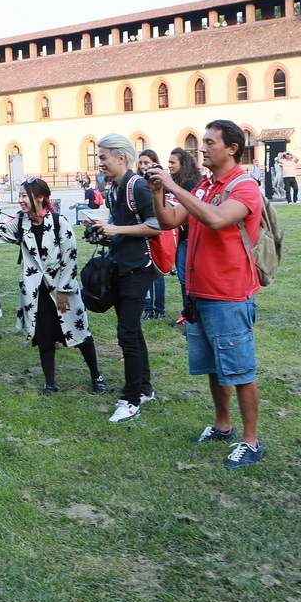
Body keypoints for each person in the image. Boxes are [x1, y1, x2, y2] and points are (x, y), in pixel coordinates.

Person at [148, 120, 266, 469]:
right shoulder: (204, 186)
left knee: (240, 369)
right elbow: (170, 220)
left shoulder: (244, 188)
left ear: (232, 148)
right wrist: (158, 192)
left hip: (229, 295)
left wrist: (172, 184)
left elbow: (216, 220)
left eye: (211, 142)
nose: (203, 147)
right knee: (215, 367)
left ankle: (251, 440)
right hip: (199, 294)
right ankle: (222, 425)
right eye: (203, 141)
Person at [0, 178, 104, 395]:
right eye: (19, 196)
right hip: (37, 292)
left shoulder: (59, 222)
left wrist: (64, 292)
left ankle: (96, 376)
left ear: (39, 198)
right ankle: (50, 382)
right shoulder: (21, 222)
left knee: (79, 332)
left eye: (23, 196)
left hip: (61, 289)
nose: (20, 201)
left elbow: (70, 259)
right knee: (45, 335)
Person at [87, 134, 160, 423]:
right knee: (132, 332)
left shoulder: (137, 186)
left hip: (138, 269)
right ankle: (144, 387)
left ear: (121, 158)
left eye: (103, 157)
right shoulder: (114, 188)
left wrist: (115, 230)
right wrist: (103, 231)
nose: (99, 162)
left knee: (127, 333)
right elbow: (122, 226)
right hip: (121, 266)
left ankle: (130, 399)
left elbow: (156, 226)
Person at [167, 147, 200, 323]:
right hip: (180, 237)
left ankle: (191, 313)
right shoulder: (176, 182)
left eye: (173, 162)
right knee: (183, 278)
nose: (169, 165)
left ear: (183, 164)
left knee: (186, 278)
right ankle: (187, 311)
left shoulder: (189, 184)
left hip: (188, 237)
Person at [137, 149, 167, 321]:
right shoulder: (139, 183)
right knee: (146, 272)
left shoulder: (159, 180)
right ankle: (148, 309)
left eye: (146, 163)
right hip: (143, 233)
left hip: (156, 233)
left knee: (158, 273)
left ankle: (159, 309)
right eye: (140, 163)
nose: (143, 166)